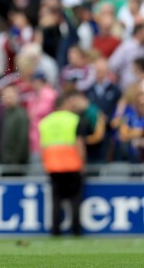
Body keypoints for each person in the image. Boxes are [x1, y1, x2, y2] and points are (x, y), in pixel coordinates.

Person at [39, 91, 87, 236]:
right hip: (72, 164)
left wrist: (45, 163)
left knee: (56, 200)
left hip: (53, 165)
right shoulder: (74, 119)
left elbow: (43, 146)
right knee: (75, 200)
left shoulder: (45, 122)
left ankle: (55, 230)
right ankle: (76, 230)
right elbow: (79, 144)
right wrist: (82, 163)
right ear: (65, 104)